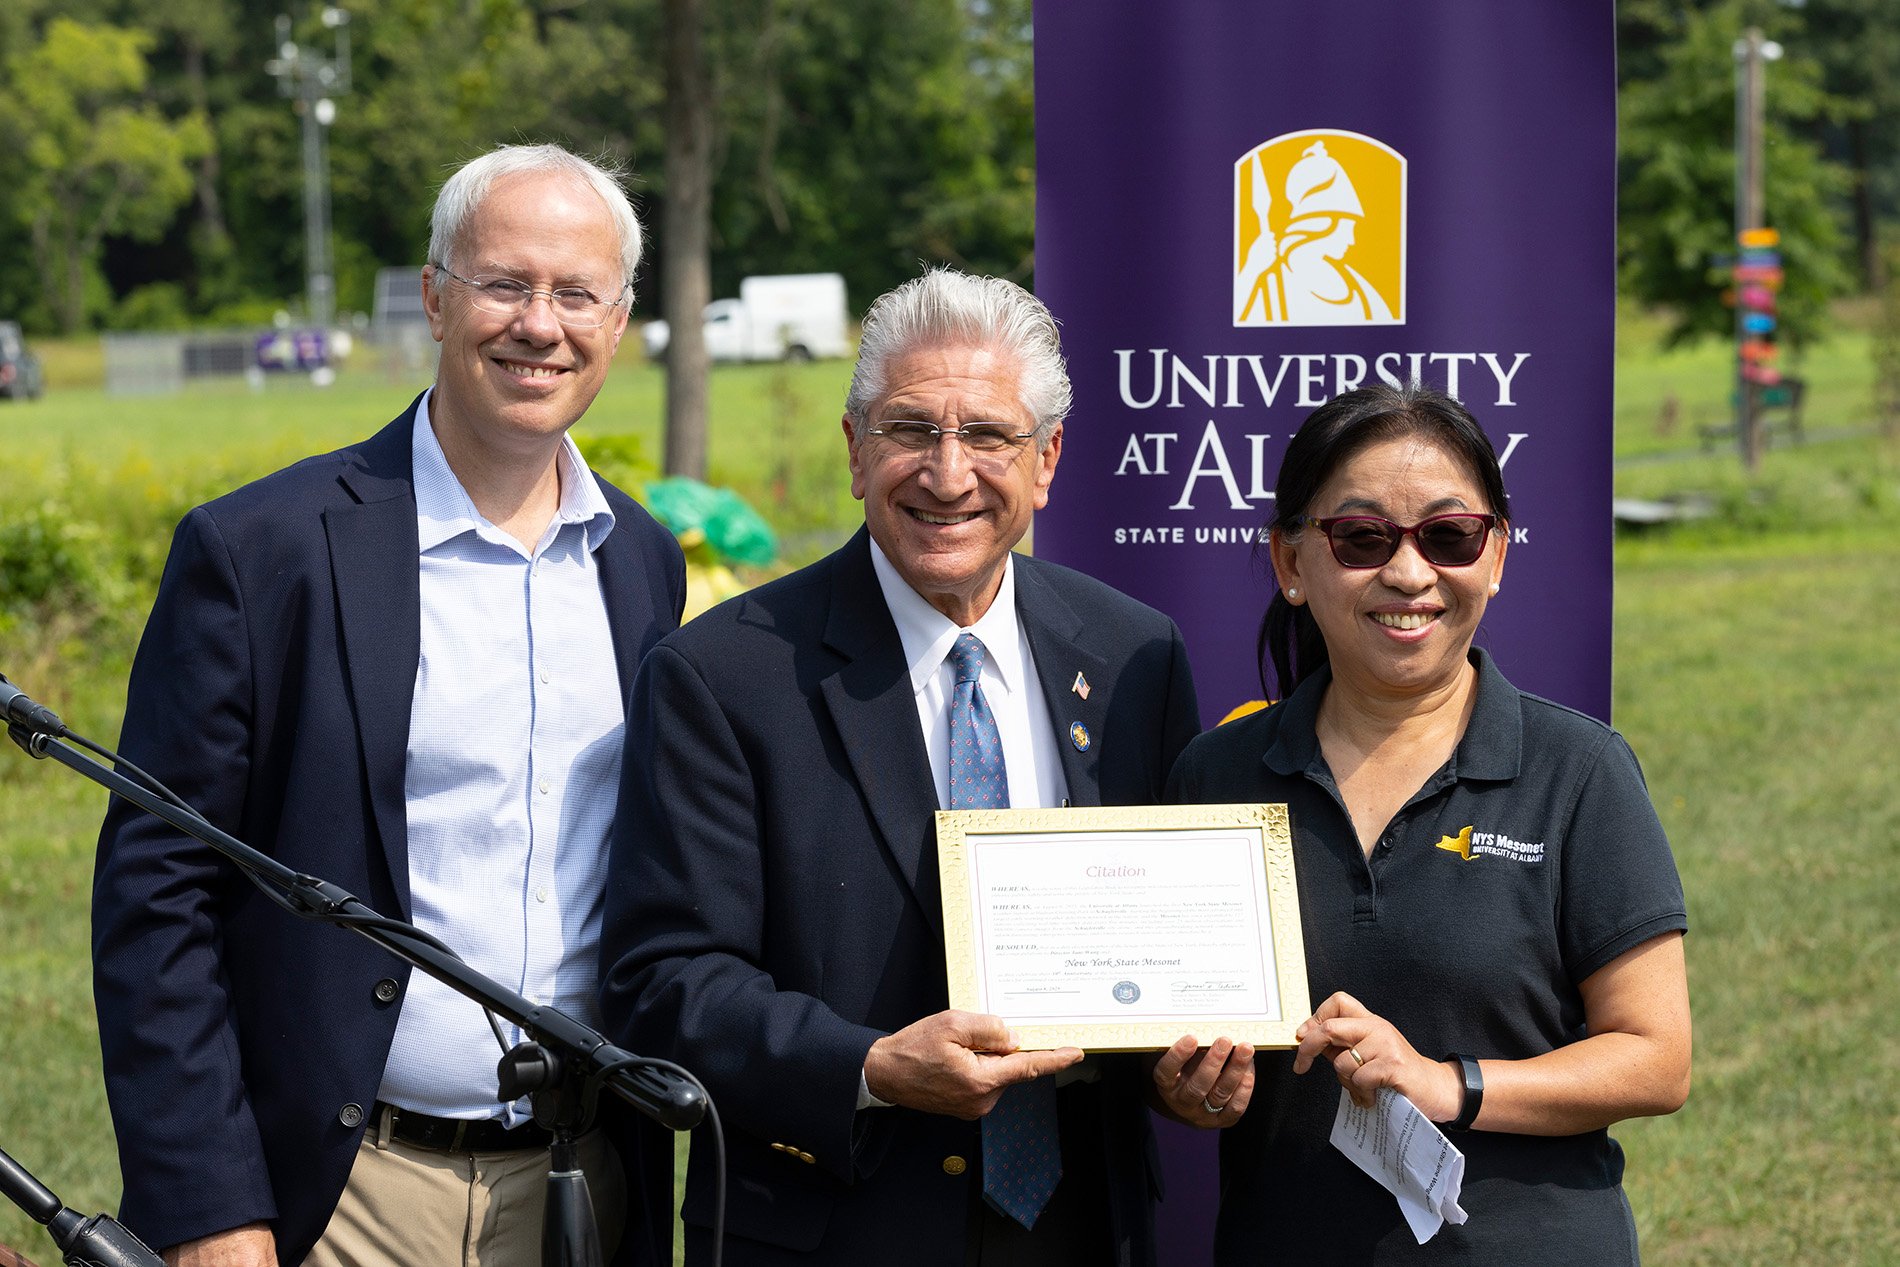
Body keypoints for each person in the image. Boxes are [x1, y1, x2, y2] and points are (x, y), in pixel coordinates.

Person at [91, 143, 685, 1267]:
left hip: (588, 1184)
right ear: (433, 297)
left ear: (619, 323)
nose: (538, 324)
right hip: (346, 1195)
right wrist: (210, 1210)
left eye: (576, 294)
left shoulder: (640, 562)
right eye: (505, 283)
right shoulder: (262, 551)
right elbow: (155, 896)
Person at [598, 267, 1216, 1265]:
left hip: (1083, 1229)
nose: (946, 471)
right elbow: (660, 982)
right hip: (838, 1224)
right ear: (853, 449)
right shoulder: (724, 676)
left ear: (1047, 458)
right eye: (908, 429)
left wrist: (1180, 1071)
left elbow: (1164, 948)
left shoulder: (1134, 655)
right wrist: (871, 1066)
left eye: (987, 435)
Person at [1166, 383, 1690, 1264]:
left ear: (1495, 557)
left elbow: (1657, 1058)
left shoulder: (1580, 770)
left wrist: (1450, 1083)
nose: (1409, 573)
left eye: (1449, 536)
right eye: (1362, 538)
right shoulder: (1215, 774)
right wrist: (1190, 1090)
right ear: (1291, 563)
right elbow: (1170, 1037)